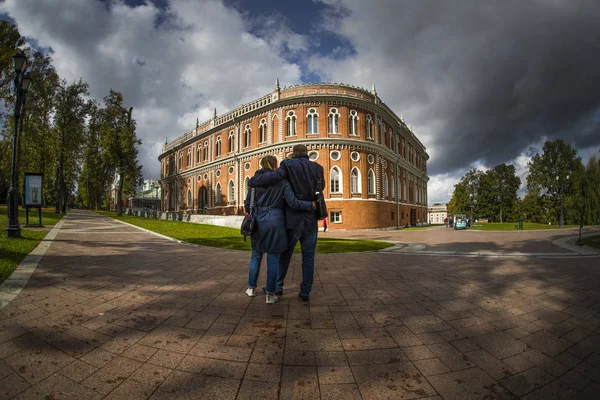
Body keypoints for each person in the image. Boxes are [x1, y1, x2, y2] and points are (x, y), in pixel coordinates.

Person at [250, 144, 324, 302]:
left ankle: (277, 287)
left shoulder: (287, 165)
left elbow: (274, 176)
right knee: (309, 258)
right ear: (306, 154)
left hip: (292, 218)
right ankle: (305, 292)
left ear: (294, 154)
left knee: (284, 254)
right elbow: (321, 186)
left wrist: (254, 182)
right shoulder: (318, 167)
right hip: (311, 218)